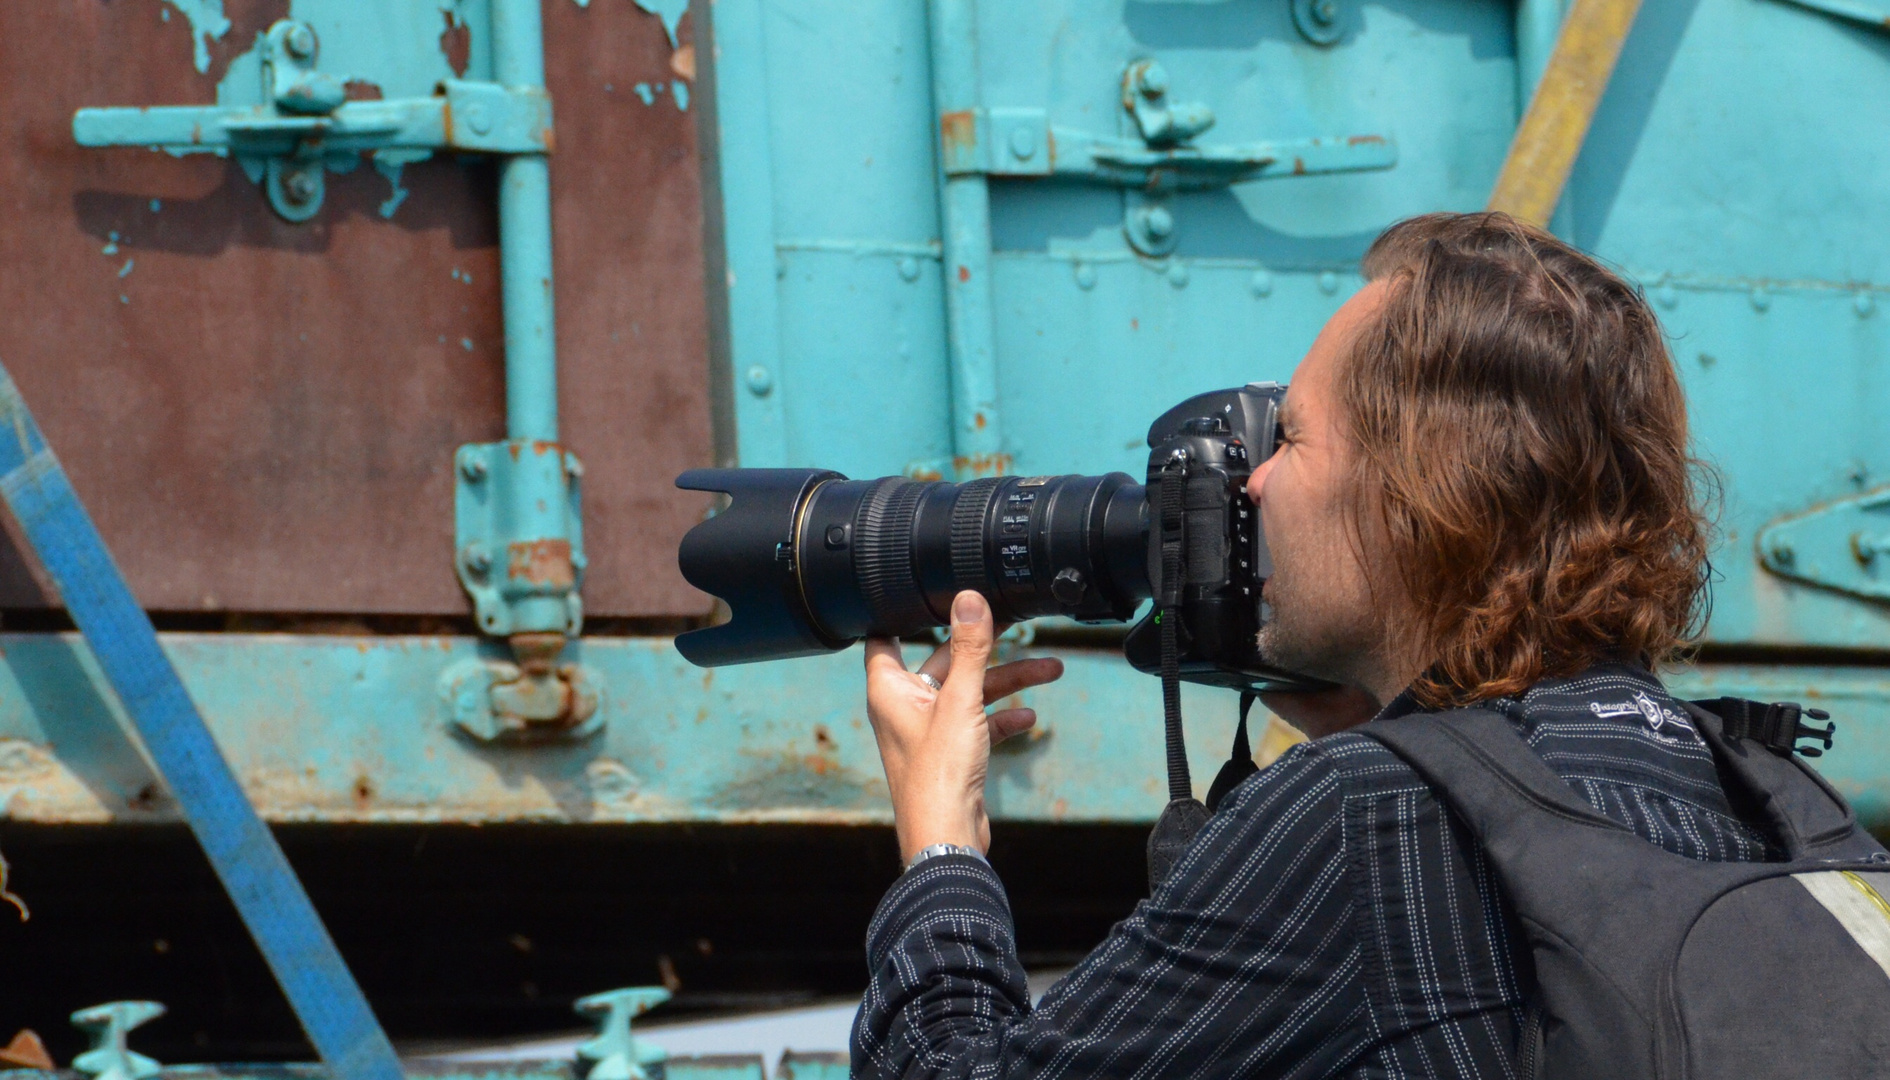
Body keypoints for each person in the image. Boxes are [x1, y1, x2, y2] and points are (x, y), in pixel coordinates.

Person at [849, 212, 1764, 1077]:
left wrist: (941, 848)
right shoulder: (1754, 786)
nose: (1253, 488)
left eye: (1289, 439)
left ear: (1413, 493)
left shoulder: (1363, 817)